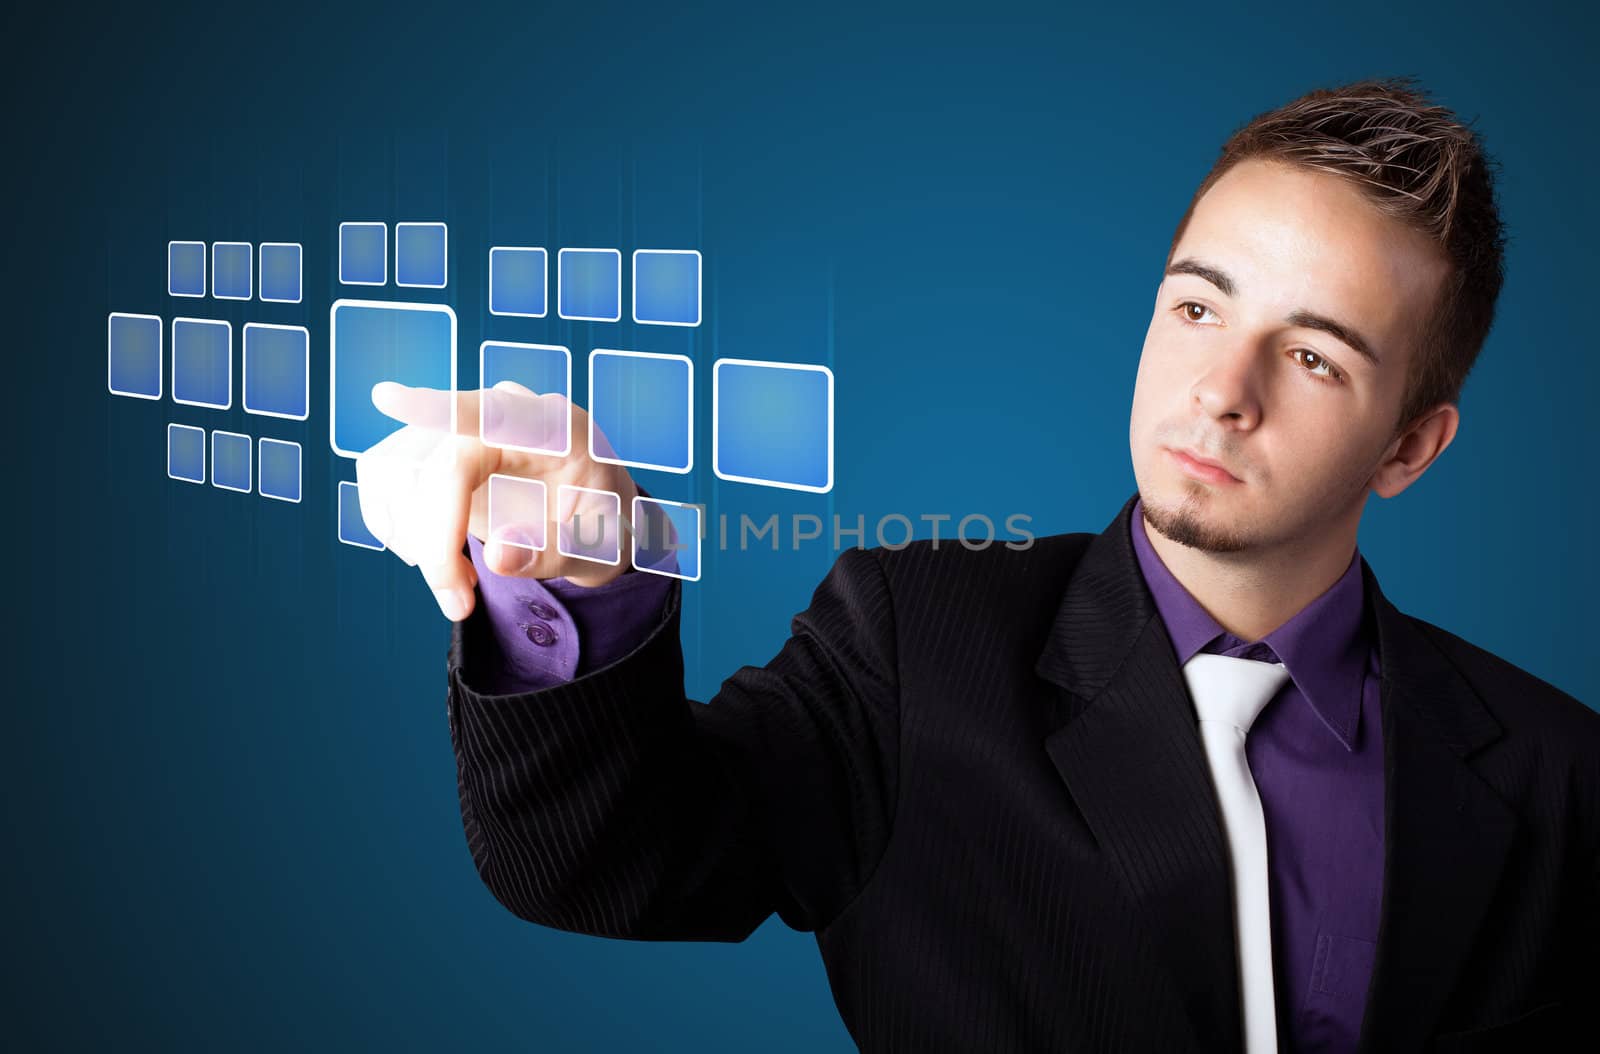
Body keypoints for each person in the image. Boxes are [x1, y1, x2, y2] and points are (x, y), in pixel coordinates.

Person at [356, 77, 1599, 1053]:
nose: (1221, 391)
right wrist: (575, 573)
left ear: (1411, 445)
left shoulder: (1561, 778)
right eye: (1197, 308)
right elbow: (605, 856)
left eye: (1316, 356)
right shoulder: (917, 642)